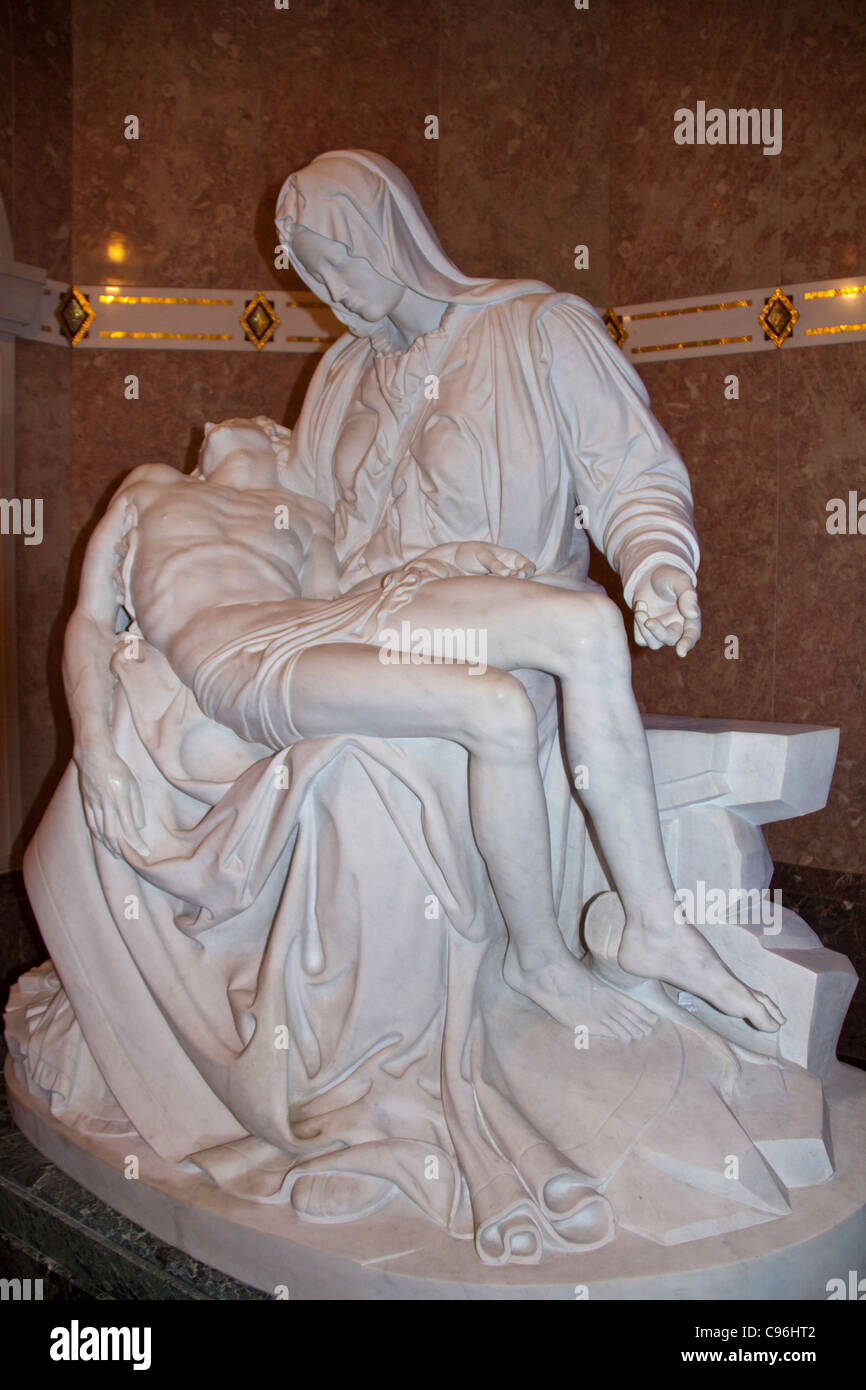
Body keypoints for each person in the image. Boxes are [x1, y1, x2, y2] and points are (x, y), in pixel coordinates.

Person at [68, 416, 780, 1036]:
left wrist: (444, 564)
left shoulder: (303, 511)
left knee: (588, 626)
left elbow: (341, 601)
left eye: (272, 428)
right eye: (242, 423)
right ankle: (540, 962)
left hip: (314, 625)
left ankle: (657, 923)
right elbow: (92, 621)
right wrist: (94, 748)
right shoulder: (153, 486)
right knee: (495, 706)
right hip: (237, 656)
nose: (251, 423)